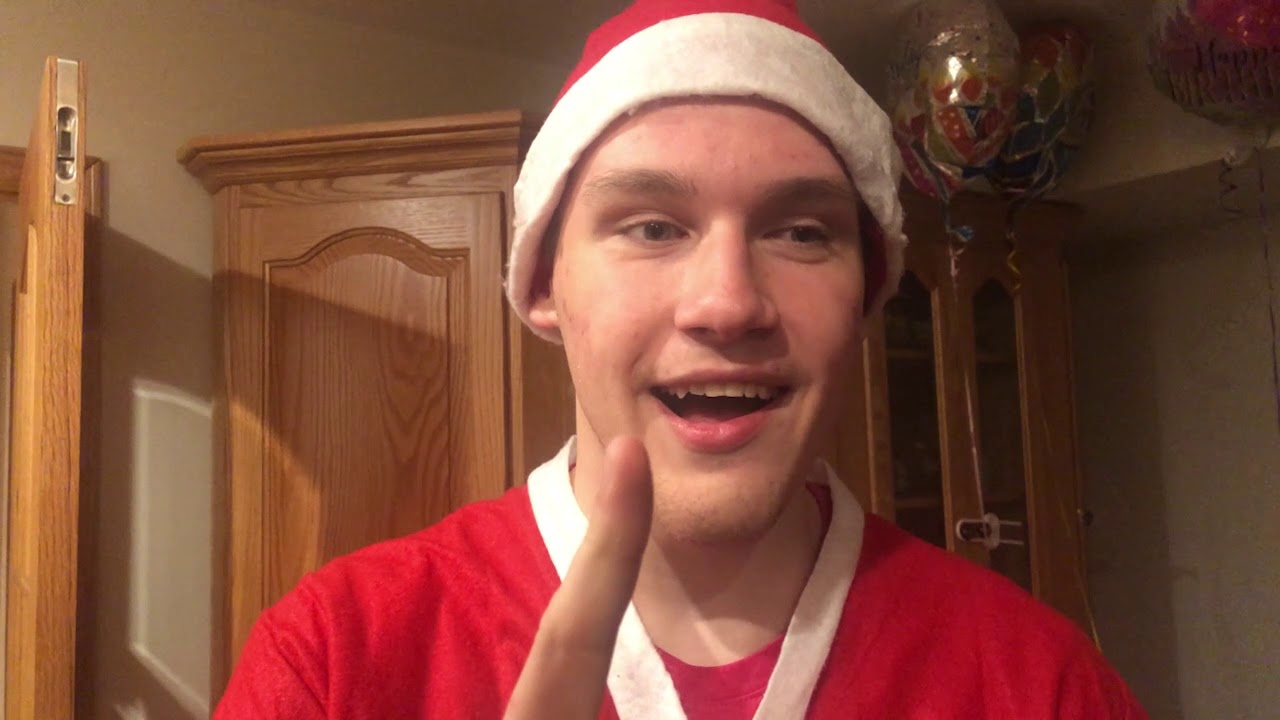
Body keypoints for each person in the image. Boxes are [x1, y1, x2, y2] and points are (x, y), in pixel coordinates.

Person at [213, 0, 1148, 717]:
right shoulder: (332, 663)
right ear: (541, 284)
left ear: (866, 295)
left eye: (800, 232)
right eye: (653, 227)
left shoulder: (1041, 684)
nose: (728, 303)